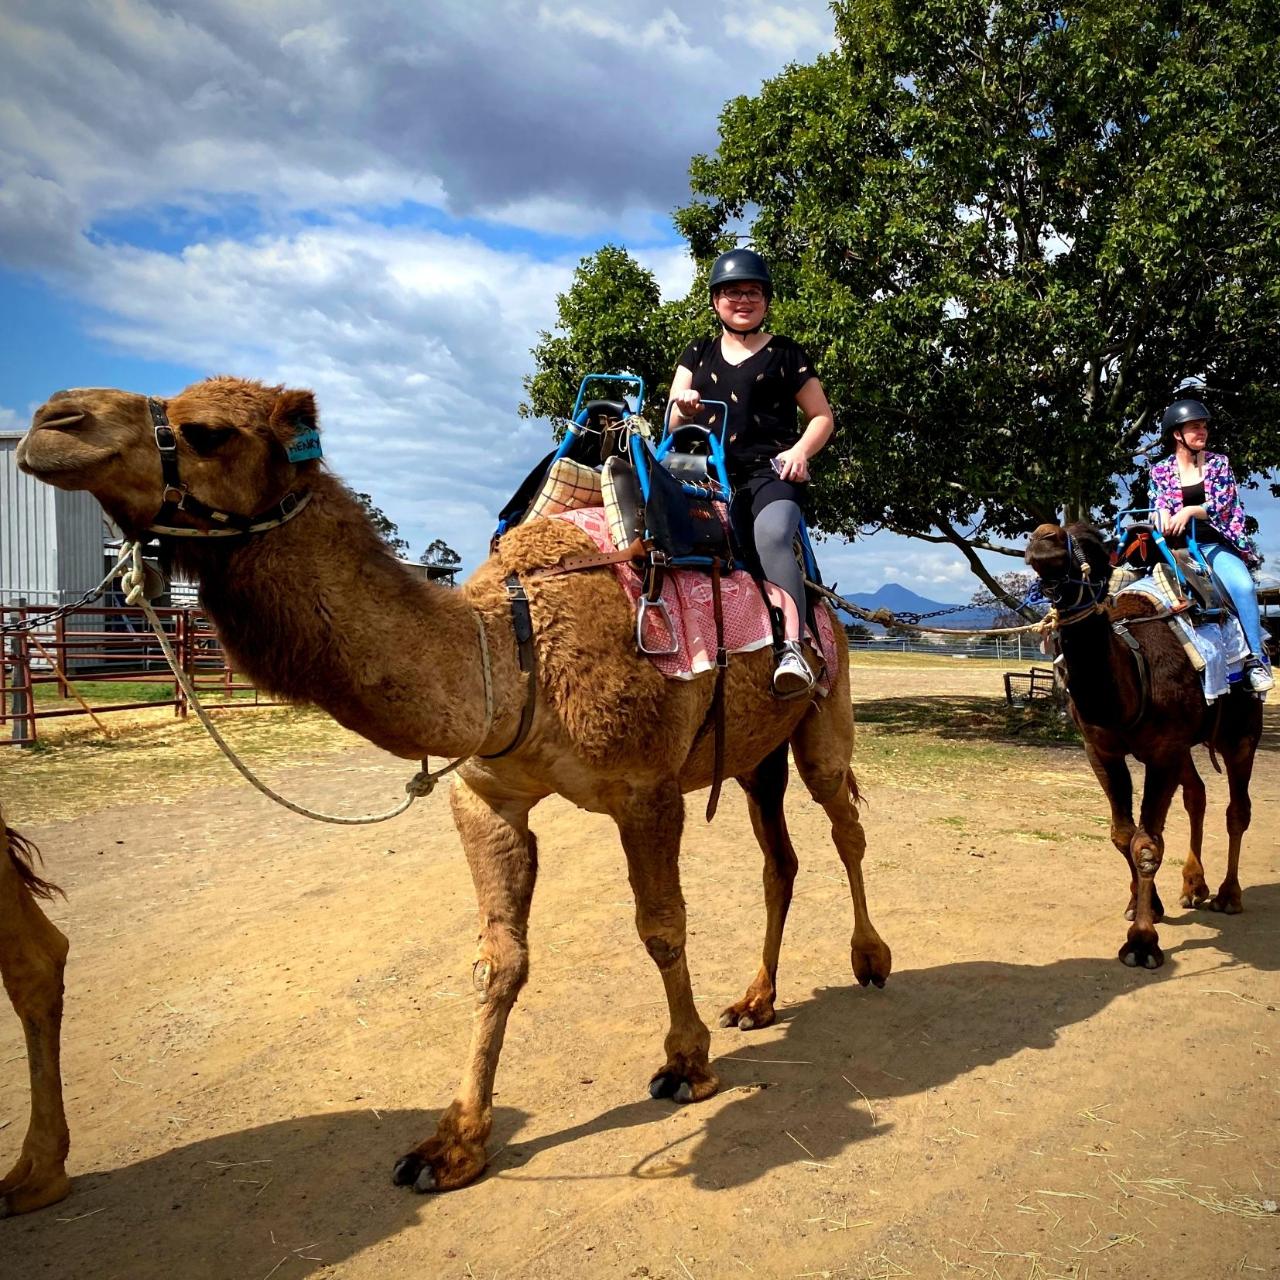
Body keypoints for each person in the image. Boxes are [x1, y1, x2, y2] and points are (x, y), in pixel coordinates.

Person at [667, 248, 835, 697]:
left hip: (770, 472)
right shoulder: (697, 352)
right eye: (732, 292)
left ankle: (792, 648)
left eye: (753, 292)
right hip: (702, 471)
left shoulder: (785, 353)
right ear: (715, 300)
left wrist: (800, 451)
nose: (743, 299)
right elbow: (671, 422)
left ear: (766, 300)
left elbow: (822, 417)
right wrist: (682, 408)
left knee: (774, 535)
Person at [1149, 397, 1273, 692]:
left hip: (1211, 545)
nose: (1202, 431)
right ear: (1177, 434)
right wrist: (1161, 514)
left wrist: (1190, 510)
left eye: (1204, 426)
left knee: (1242, 586)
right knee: (1124, 585)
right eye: (1195, 427)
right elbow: (1158, 504)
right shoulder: (1159, 471)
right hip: (1173, 548)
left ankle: (1256, 660)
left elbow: (1222, 504)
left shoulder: (1219, 464)